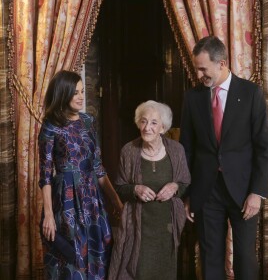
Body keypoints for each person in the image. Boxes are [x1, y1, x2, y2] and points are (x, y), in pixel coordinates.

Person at [180, 36, 268, 280]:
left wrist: (257, 192)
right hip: (206, 190)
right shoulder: (193, 98)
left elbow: (265, 148)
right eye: (197, 68)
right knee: (210, 256)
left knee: (244, 256)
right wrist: (188, 193)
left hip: (243, 191)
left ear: (221, 64)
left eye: (203, 68)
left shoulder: (251, 93)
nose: (199, 74)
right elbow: (187, 148)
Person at [39, 70, 122, 279]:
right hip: (65, 199)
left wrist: (116, 202)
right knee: (72, 255)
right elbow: (46, 174)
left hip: (92, 198)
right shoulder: (51, 126)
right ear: (63, 93)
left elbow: (98, 167)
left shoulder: (88, 121)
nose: (81, 96)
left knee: (100, 248)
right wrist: (48, 214)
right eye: (75, 92)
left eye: (82, 91)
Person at [108, 100, 191, 280]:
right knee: (139, 271)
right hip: (138, 226)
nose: (147, 128)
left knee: (165, 274)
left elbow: (185, 183)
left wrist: (175, 186)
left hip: (167, 227)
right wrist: (135, 189)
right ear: (138, 123)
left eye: (154, 123)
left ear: (163, 127)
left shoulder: (177, 150)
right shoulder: (129, 151)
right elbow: (120, 187)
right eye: (144, 121)